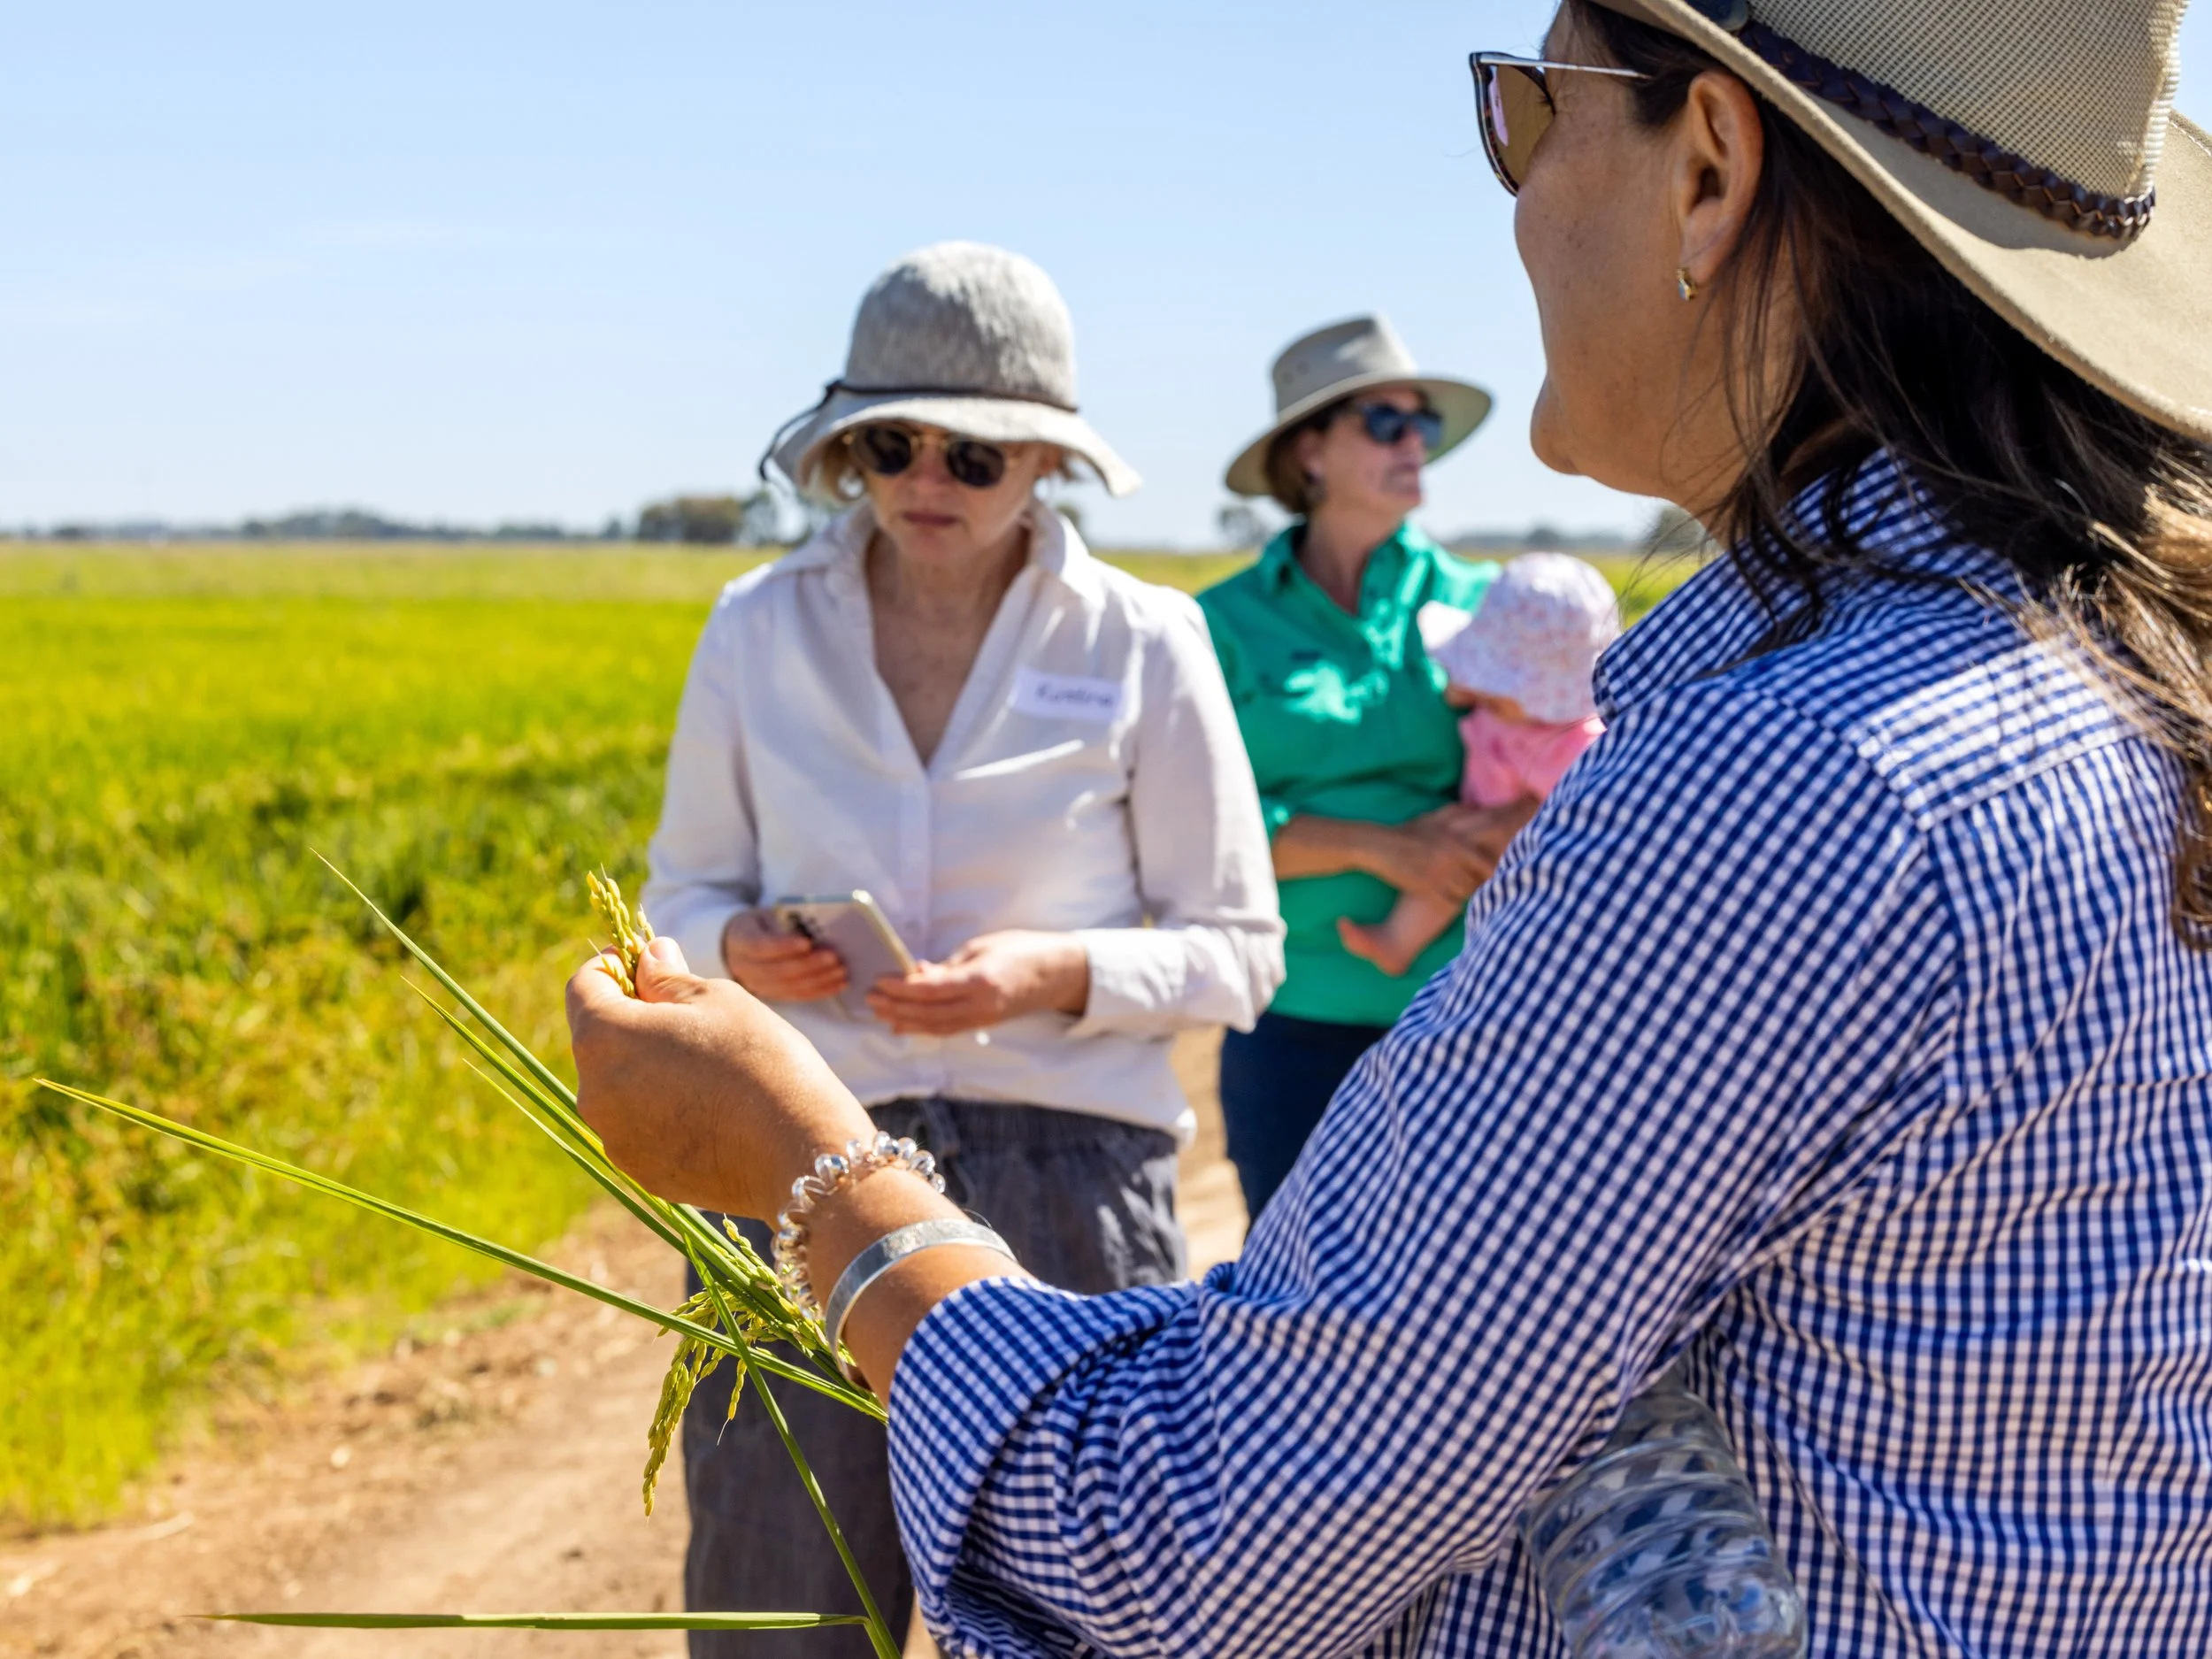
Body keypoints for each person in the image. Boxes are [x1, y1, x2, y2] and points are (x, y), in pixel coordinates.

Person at [570, 1, 2212, 1653]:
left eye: (1526, 111)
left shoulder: (1794, 780)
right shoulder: (2114, 688)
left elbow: (1181, 1543)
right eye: (890, 446)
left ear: (1709, 167)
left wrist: (812, 1162)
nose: (1512, 196)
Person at [638, 240, 1284, 1655]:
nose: (928, 476)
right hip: (800, 1163)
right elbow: (673, 902)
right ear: (845, 453)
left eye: (974, 452)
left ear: (1045, 460)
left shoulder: (1146, 640)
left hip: (1070, 1189)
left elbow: (1240, 949)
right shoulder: (755, 630)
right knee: (778, 1620)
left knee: (1096, 1622)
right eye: (889, 442)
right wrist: (735, 941)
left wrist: (1048, 973)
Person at [1198, 315, 1525, 1216]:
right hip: (1288, 1021)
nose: (1414, 440)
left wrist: (1494, 829)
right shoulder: (1216, 625)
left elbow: (1558, 768)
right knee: (1289, 1304)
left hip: (1470, 1013)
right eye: (1385, 421)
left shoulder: (1487, 603)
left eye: (1421, 422)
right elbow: (1189, 833)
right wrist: (1379, 849)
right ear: (1308, 452)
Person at [1339, 553, 1620, 977]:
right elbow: (1459, 684)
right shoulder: (1494, 710)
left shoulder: (1581, 740)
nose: (1485, 692)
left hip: (1532, 851)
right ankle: (1397, 942)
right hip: (1479, 818)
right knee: (1447, 865)